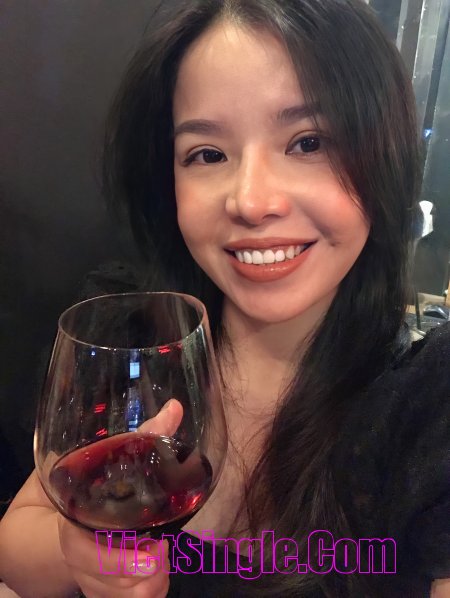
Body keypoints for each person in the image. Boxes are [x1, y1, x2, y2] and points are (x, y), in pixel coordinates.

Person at [0, 0, 449, 596]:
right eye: (208, 154)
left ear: (385, 155)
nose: (251, 201)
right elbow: (15, 545)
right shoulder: (130, 335)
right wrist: (81, 551)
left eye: (308, 142)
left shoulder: (428, 404)